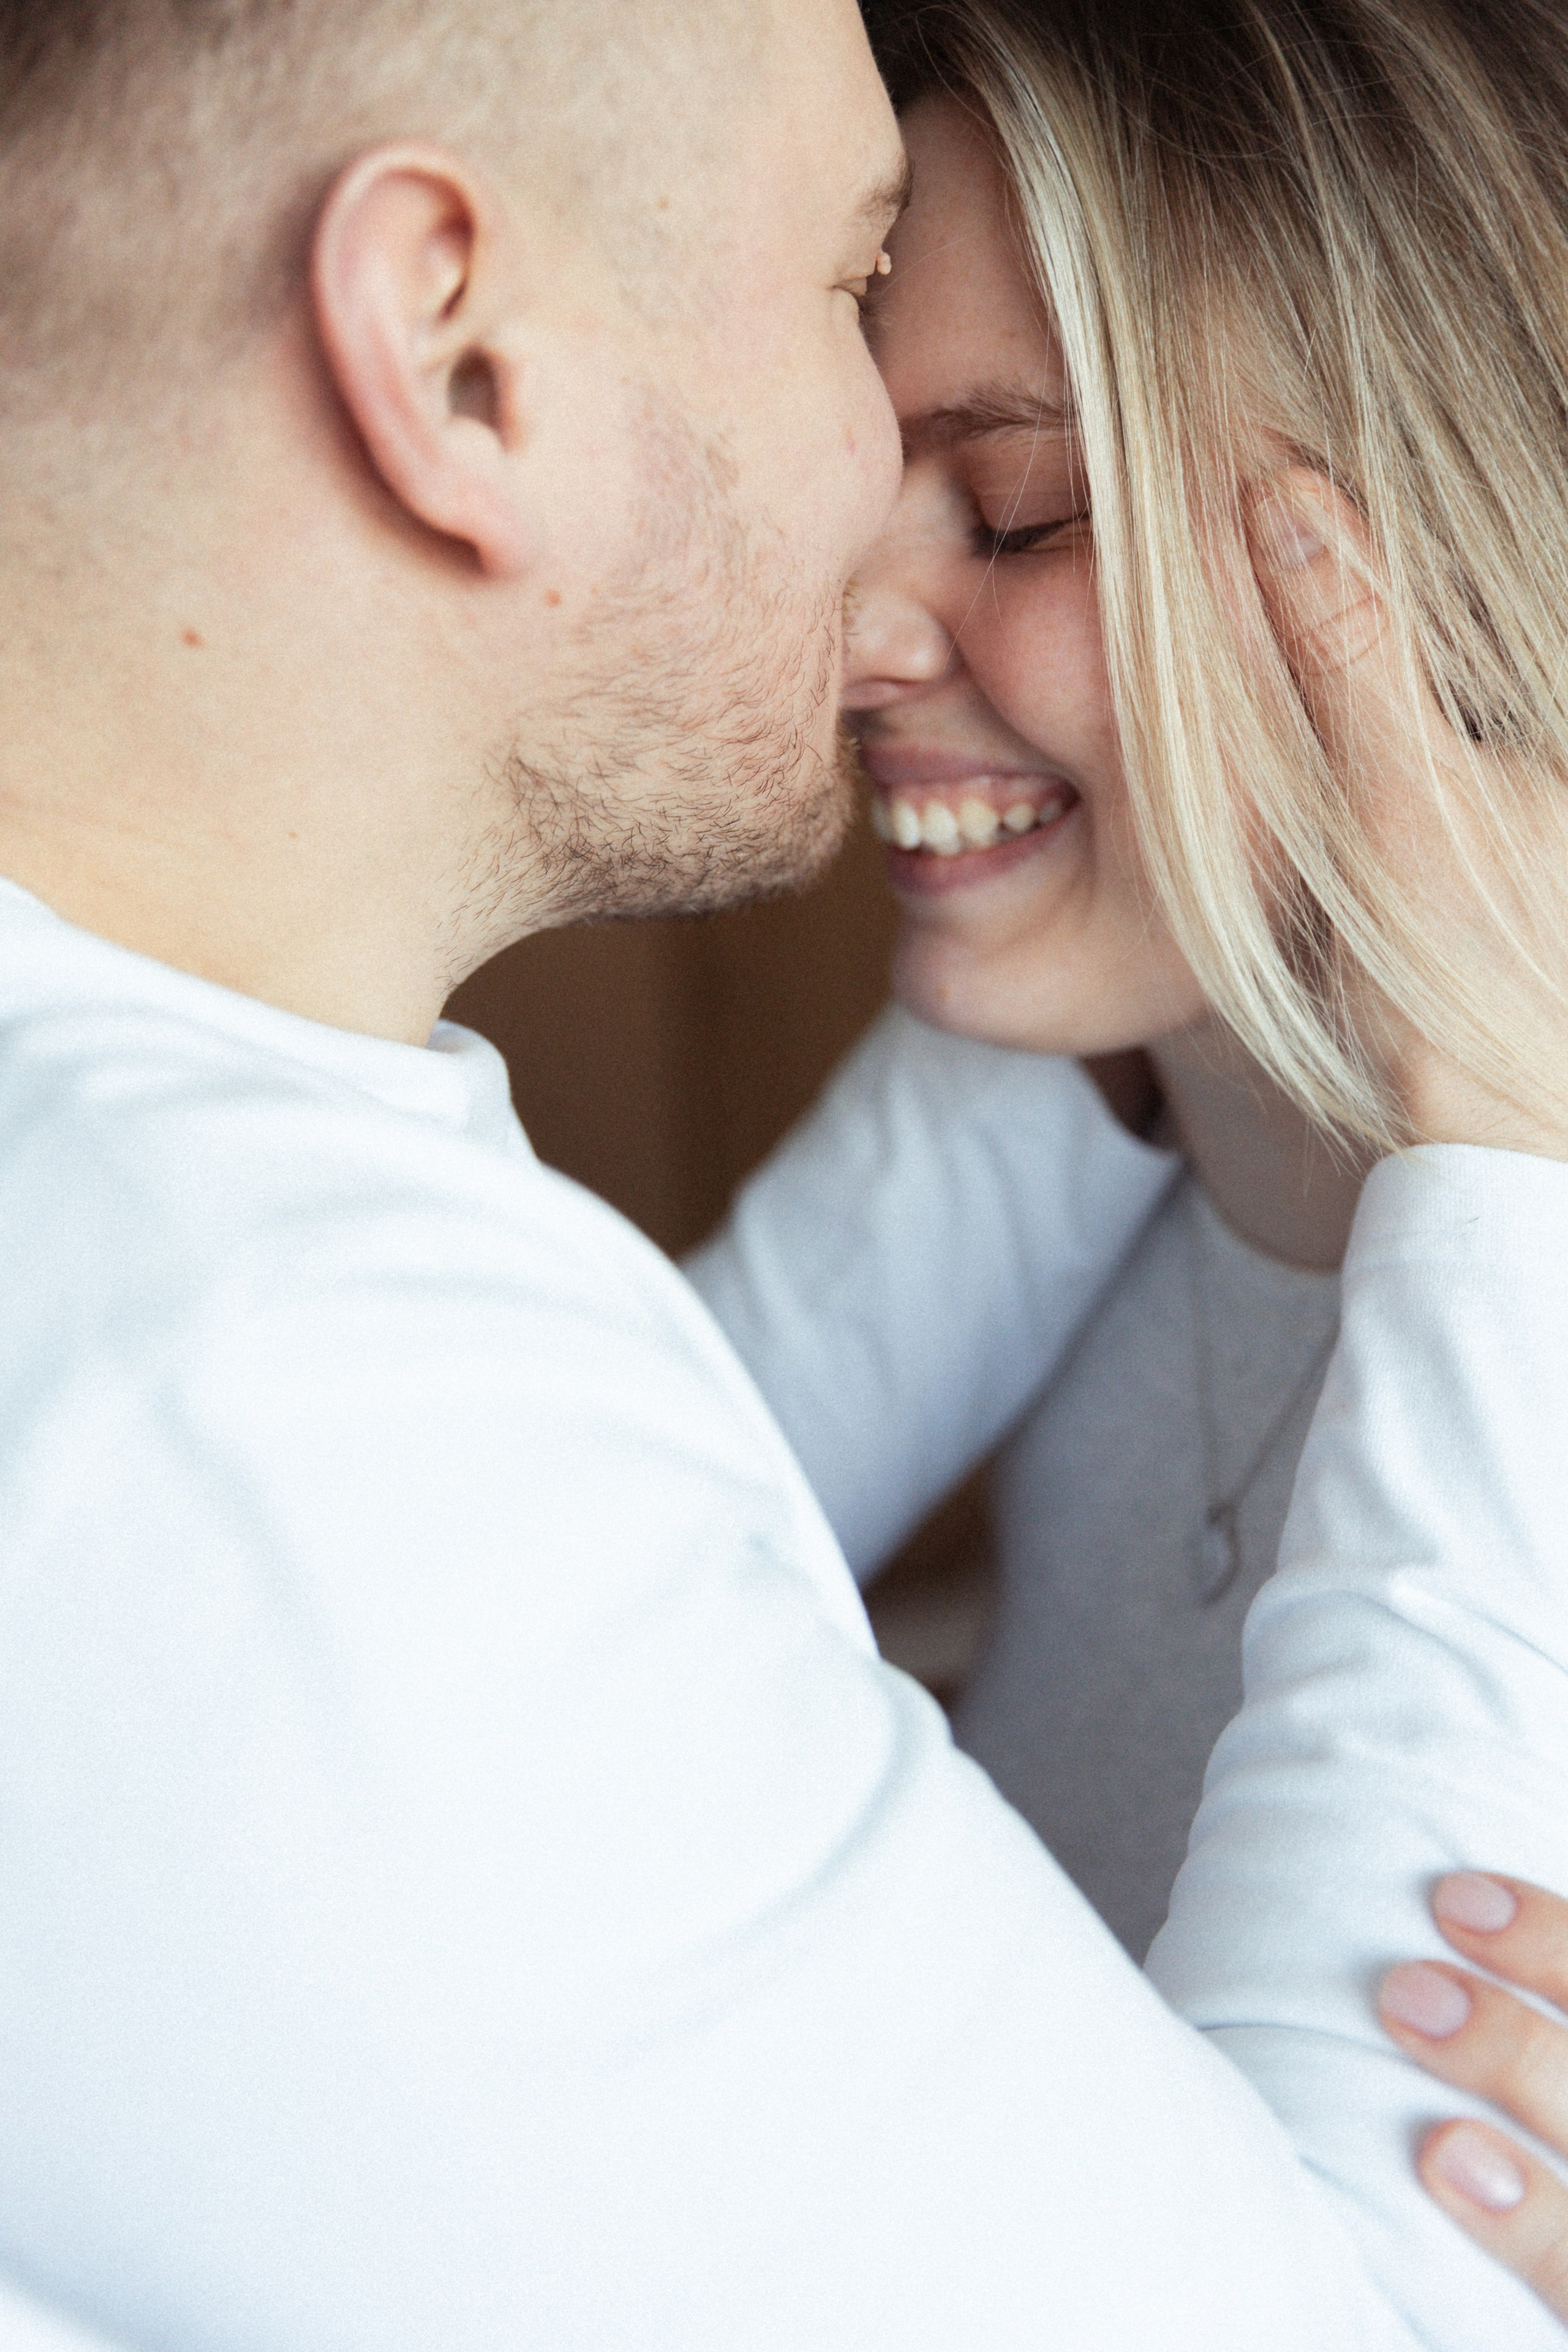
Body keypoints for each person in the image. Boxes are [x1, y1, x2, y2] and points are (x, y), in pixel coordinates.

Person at [0, 4, 1560, 2351]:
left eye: (1014, 505)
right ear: (449, 352)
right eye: (836, 310)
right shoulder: (274, 1410)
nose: (847, 584)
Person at [685, 0, 1568, 2336]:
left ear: (1435, 526)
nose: (847, 641)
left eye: (1018, 511)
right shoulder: (1095, 1100)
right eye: (853, 494)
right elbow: (586, 1595)